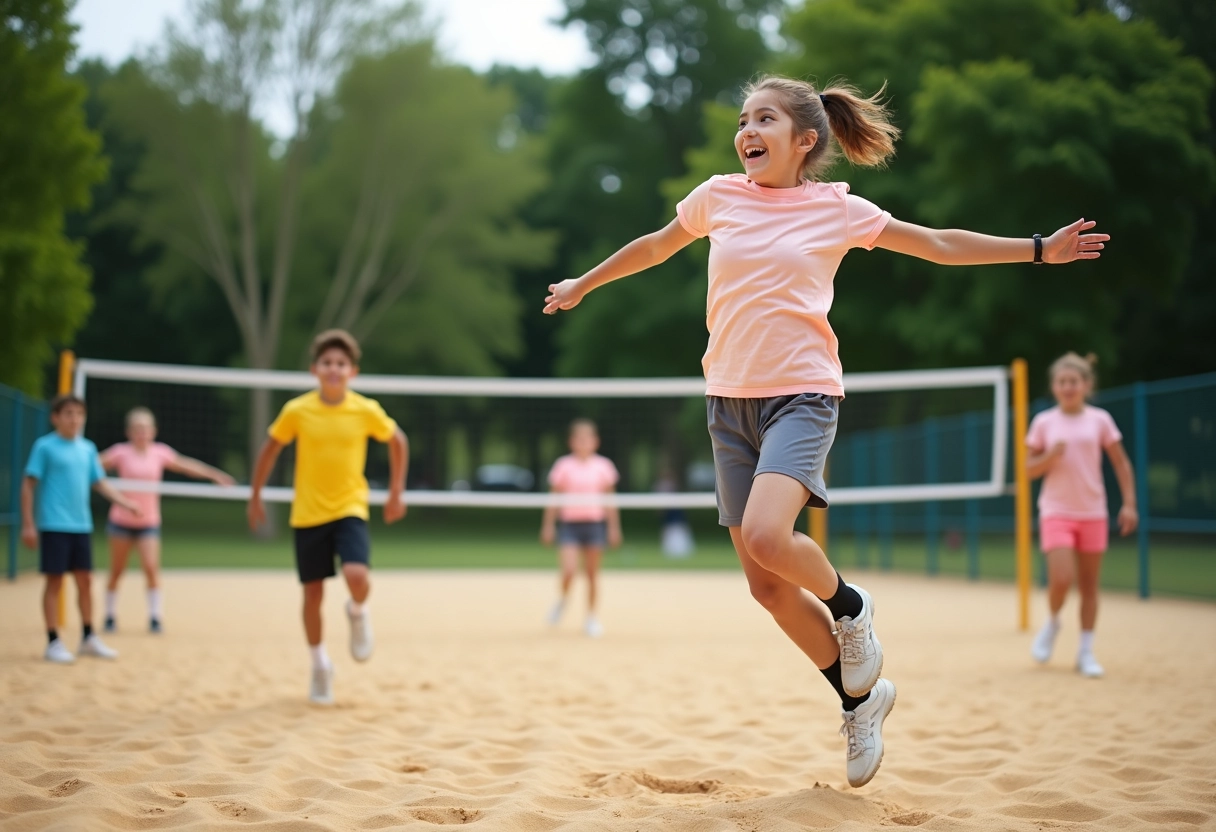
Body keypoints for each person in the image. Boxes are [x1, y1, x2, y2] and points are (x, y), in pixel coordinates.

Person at [543, 75, 1108, 787]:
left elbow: (935, 243)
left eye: (765, 118)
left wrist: (1035, 249)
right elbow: (655, 247)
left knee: (768, 537)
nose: (748, 130)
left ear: (805, 139)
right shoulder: (718, 196)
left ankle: (852, 607)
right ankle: (859, 700)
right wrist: (582, 285)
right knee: (767, 587)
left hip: (802, 397)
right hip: (728, 403)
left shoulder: (836, 210)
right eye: (744, 118)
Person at [247, 329, 409, 705]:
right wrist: (255, 496)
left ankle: (357, 610)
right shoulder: (297, 410)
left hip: (350, 507)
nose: (333, 369)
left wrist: (397, 493)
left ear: (352, 371)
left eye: (341, 363)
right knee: (313, 593)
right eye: (327, 363)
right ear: (314, 369)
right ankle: (320, 665)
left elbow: (398, 441)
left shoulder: (365, 409)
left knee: (357, 575)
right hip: (307, 513)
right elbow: (270, 450)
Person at [1025, 353, 1136, 678]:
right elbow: (1028, 469)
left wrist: (1129, 503)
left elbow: (1120, 462)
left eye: (1074, 381)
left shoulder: (1100, 419)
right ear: (1054, 387)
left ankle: (1086, 652)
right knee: (1061, 579)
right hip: (1056, 511)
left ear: (1086, 385)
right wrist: (1049, 455)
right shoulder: (1044, 422)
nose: (1068, 387)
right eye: (1062, 382)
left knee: (1089, 585)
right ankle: (1054, 621)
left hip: (1093, 512)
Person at [21, 395, 142, 664]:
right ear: (56, 417)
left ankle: (88, 636)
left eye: (78, 413)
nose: (74, 419)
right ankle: (53, 641)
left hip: (81, 525)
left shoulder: (87, 449)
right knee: (54, 582)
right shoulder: (45, 447)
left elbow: (100, 483)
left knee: (85, 582)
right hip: (54, 524)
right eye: (68, 413)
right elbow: (28, 485)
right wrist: (28, 524)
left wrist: (126, 503)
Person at [100, 407, 235, 634]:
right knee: (117, 570)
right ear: (129, 432)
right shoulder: (120, 453)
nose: (141, 433)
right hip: (121, 521)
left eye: (145, 428)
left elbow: (187, 466)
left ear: (153, 431)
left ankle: (155, 617)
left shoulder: (159, 453)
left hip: (148, 522)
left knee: (151, 569)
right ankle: (110, 615)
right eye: (137, 429)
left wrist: (215, 475)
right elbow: (91, 466)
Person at [541, 418, 621, 637]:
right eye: (579, 439)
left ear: (595, 442)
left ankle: (591, 618)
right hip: (570, 525)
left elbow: (609, 501)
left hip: (594, 524)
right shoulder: (563, 465)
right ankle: (563, 600)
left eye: (587, 439)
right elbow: (554, 498)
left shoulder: (603, 466)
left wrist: (614, 528)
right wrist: (548, 525)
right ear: (572, 442)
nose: (583, 443)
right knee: (569, 571)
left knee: (592, 574)